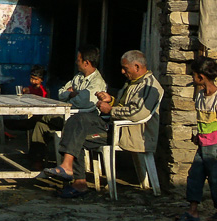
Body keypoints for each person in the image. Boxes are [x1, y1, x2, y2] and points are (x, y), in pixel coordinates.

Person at [45, 49, 163, 198]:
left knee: (76, 133)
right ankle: (71, 172)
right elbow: (125, 105)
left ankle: (77, 180)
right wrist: (111, 100)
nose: (122, 71)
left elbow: (138, 113)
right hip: (115, 125)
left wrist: (111, 110)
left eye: (125, 68)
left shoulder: (150, 86)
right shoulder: (132, 83)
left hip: (128, 132)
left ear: (137, 67)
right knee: (76, 120)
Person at [7, 45, 106, 168]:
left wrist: (70, 95)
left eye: (78, 60)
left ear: (86, 63)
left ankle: (18, 124)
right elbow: (61, 93)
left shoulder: (97, 82)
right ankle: (36, 162)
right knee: (40, 126)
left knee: (41, 115)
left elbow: (83, 102)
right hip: (67, 114)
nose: (76, 62)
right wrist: (71, 94)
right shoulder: (78, 77)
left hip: (80, 119)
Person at [178, 56, 217, 221]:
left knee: (216, 180)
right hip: (203, 146)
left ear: (200, 77)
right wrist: (198, 135)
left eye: (193, 75)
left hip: (215, 147)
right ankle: (193, 210)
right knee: (194, 176)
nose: (193, 78)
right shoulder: (201, 96)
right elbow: (203, 120)